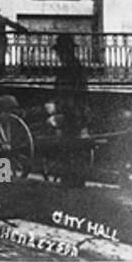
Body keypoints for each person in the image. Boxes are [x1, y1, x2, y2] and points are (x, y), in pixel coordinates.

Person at [53, 34, 89, 188]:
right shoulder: (76, 67)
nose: (59, 55)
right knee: (75, 148)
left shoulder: (69, 69)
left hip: (71, 113)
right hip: (77, 112)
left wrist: (59, 110)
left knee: (68, 147)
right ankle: (75, 180)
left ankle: (71, 180)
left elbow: (67, 93)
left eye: (61, 52)